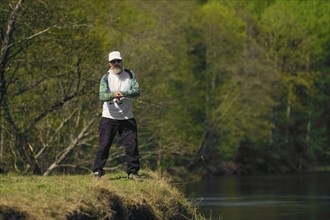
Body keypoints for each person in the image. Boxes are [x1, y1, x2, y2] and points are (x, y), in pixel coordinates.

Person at [93, 51, 141, 180]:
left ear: (121, 61)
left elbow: (137, 91)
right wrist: (114, 94)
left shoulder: (130, 74)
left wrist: (125, 93)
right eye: (113, 61)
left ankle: (133, 172)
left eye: (118, 61)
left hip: (127, 118)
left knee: (132, 146)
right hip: (109, 117)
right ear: (109, 63)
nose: (116, 64)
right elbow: (102, 96)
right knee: (104, 145)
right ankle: (97, 171)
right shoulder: (105, 78)